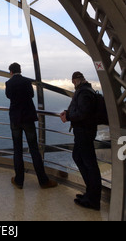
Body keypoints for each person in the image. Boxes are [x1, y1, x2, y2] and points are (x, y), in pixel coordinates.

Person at [5, 63, 57, 190]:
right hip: (28, 119)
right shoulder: (27, 82)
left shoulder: (9, 83)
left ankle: (19, 180)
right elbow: (32, 95)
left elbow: (8, 96)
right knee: (34, 149)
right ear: (20, 70)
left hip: (15, 120)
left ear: (11, 72)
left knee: (17, 150)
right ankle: (43, 181)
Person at [60, 71, 102, 211]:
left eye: (73, 82)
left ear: (76, 80)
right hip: (84, 131)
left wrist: (69, 117)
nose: (73, 85)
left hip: (84, 131)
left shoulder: (83, 92)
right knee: (78, 157)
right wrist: (68, 112)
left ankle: (93, 199)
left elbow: (83, 113)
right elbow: (78, 108)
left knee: (90, 164)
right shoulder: (85, 90)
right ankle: (90, 193)